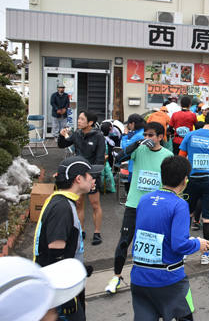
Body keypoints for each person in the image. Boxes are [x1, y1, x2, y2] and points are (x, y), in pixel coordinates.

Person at [130, 156, 209, 321]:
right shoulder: (179, 205)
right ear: (184, 180)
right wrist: (198, 243)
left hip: (139, 276)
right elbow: (179, 245)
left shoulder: (144, 200)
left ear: (162, 176)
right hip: (168, 278)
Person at [105, 122, 173, 294]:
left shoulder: (167, 155)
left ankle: (151, 275)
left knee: (154, 241)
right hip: (134, 204)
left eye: (151, 135)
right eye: (145, 135)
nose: (147, 138)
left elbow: (171, 182)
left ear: (160, 137)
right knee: (124, 240)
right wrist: (136, 144)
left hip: (156, 205)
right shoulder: (139, 150)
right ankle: (116, 276)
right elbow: (118, 159)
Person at [34, 156, 103, 320]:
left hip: (65, 284)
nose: (93, 179)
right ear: (79, 179)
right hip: (58, 292)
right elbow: (55, 256)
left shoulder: (63, 201)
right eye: (90, 175)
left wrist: (79, 269)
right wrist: (66, 297)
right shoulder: (62, 208)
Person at [179, 110, 209, 263]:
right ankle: (205, 255)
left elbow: (181, 159)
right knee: (208, 219)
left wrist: (181, 181)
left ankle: (183, 252)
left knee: (187, 215)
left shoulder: (190, 135)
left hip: (191, 180)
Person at [57, 110, 105, 245]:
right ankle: (80, 230)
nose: (78, 121)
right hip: (78, 174)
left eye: (82, 119)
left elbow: (100, 159)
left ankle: (97, 232)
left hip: (92, 173)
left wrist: (94, 177)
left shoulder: (98, 136)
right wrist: (61, 136)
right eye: (78, 118)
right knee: (78, 203)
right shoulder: (77, 134)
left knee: (95, 204)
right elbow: (63, 144)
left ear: (90, 123)